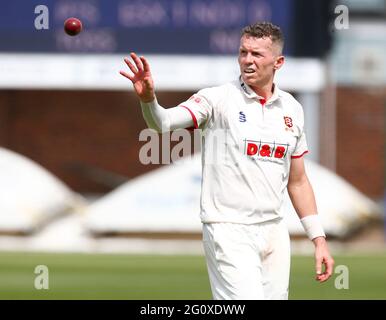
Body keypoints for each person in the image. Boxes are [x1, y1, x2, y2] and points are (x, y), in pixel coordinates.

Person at [120, 22, 334, 300]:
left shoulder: (292, 108)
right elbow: (163, 123)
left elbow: (298, 180)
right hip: (228, 229)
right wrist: (149, 100)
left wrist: (319, 240)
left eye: (257, 54)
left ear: (278, 62)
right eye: (243, 52)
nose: (247, 60)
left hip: (274, 231)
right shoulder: (217, 98)